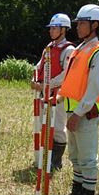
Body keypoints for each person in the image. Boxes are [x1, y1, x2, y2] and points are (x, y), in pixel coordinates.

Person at [54, 4, 99, 195]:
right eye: (78, 23)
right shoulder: (79, 49)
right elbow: (72, 82)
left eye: (83, 24)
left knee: (87, 157)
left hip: (86, 113)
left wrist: (78, 114)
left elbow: (93, 89)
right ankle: (76, 193)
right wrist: (60, 98)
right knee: (75, 156)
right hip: (73, 110)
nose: (78, 27)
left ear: (95, 25)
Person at [30, 13, 75, 171]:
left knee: (57, 126)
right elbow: (40, 65)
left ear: (63, 30)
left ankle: (56, 161)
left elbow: (66, 74)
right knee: (46, 125)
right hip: (45, 92)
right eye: (51, 28)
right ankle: (47, 157)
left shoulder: (69, 49)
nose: (51, 31)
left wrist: (47, 85)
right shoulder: (48, 47)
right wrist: (36, 78)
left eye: (55, 28)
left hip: (59, 94)